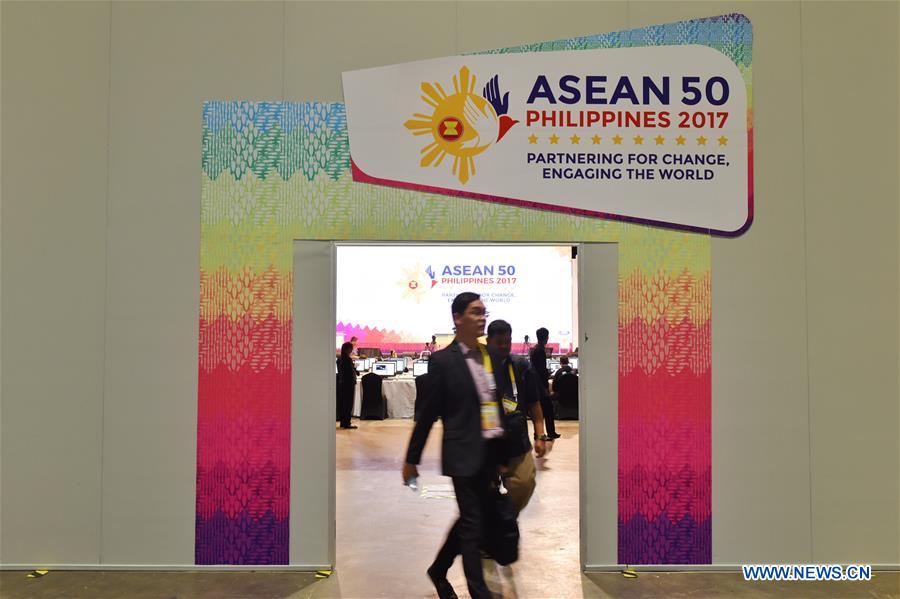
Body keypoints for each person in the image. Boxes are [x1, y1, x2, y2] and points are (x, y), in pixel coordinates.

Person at [402, 292, 505, 599]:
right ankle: (479, 592)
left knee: (472, 519)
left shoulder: (490, 356)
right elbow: (427, 415)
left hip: (489, 452)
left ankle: (438, 569)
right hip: (461, 453)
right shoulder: (442, 362)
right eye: (475, 312)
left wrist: (503, 451)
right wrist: (412, 459)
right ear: (457, 318)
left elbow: (495, 404)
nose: (482, 318)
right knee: (473, 526)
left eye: (484, 312)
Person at [486, 320, 548, 513]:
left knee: (525, 483)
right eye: (499, 342)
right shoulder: (477, 367)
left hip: (516, 441)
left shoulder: (521, 366)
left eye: (508, 342)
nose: (504, 346)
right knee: (484, 494)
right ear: (488, 341)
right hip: (486, 443)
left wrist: (540, 436)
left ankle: (507, 518)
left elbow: (534, 404)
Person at [529, 328, 559, 439]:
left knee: (540, 411)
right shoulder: (540, 351)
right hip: (541, 385)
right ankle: (549, 433)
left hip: (536, 384)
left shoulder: (534, 349)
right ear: (546, 337)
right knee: (548, 410)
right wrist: (546, 387)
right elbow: (541, 370)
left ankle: (539, 433)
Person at [336, 342, 358, 429]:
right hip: (348, 384)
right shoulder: (347, 360)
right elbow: (350, 373)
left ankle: (343, 422)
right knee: (348, 404)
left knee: (343, 404)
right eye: (351, 348)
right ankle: (347, 423)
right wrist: (354, 369)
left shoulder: (339, 359)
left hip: (341, 384)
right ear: (347, 349)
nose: (352, 350)